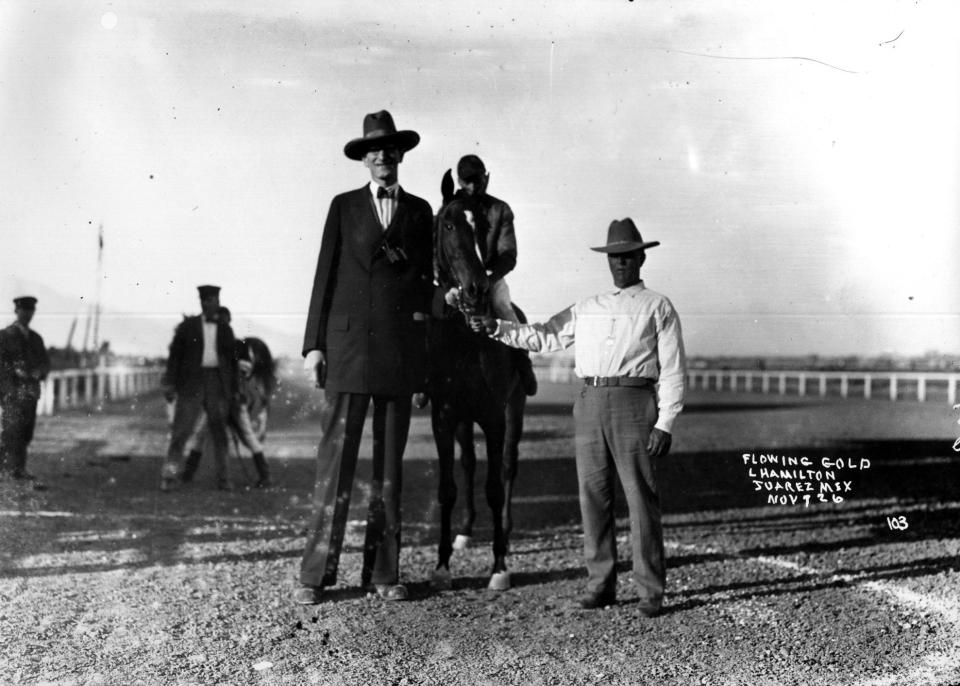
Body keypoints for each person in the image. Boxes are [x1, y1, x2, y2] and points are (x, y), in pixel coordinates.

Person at [471, 218, 686, 616]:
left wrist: (665, 422)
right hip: (589, 401)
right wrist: (496, 328)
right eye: (614, 257)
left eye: (627, 256)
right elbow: (543, 336)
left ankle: (650, 592)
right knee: (593, 498)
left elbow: (672, 368)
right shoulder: (587, 307)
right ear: (607, 262)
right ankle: (600, 585)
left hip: (634, 402)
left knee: (640, 498)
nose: (621, 263)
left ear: (641, 257)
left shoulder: (658, 305)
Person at [296, 110, 434, 605]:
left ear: (401, 154)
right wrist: (315, 345)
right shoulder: (343, 207)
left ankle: (383, 573)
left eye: (390, 149)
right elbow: (324, 277)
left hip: (399, 357)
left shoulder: (421, 212)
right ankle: (315, 575)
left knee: (389, 473)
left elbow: (425, 292)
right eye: (374, 150)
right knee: (333, 467)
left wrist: (423, 367)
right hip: (348, 352)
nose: (382, 156)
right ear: (365, 158)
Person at [446, 155, 538, 396]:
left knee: (504, 308)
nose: (473, 187)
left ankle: (522, 362)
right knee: (434, 317)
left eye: (477, 180)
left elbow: (508, 253)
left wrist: (491, 274)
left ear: (486, 178)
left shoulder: (500, 209)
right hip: (456, 281)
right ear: (458, 180)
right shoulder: (450, 208)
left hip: (491, 278)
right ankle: (423, 381)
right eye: (467, 182)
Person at [179, 306, 272, 489]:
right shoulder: (211, 347)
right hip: (217, 400)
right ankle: (188, 474)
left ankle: (265, 475)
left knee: (247, 437)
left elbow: (245, 371)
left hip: (234, 401)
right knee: (201, 435)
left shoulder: (238, 346)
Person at [160, 285, 239, 491]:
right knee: (181, 432)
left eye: (211, 299)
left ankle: (224, 480)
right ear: (200, 302)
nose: (207, 303)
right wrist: (169, 383)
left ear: (218, 302)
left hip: (217, 385)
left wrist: (235, 391)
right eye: (204, 299)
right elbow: (174, 358)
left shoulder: (226, 329)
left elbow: (232, 362)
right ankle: (169, 477)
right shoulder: (188, 327)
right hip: (191, 384)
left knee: (220, 434)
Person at [0, 296, 50, 487]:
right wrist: (12, 374)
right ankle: (5, 469)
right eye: (24, 311)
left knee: (26, 431)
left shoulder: (36, 338)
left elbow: (45, 363)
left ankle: (19, 468)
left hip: (30, 392)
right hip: (11, 392)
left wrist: (40, 372)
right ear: (16, 311)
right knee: (10, 430)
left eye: (31, 311)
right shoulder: (4, 335)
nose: (27, 314)